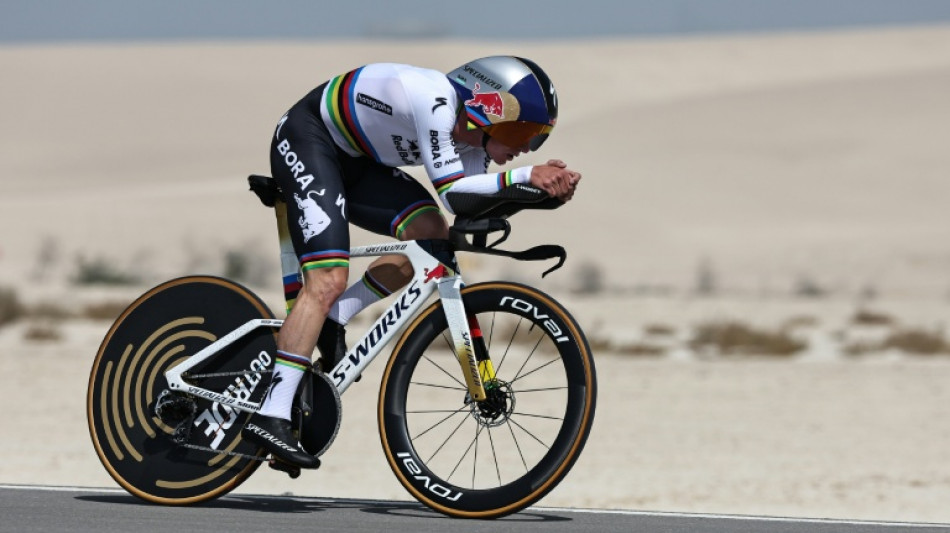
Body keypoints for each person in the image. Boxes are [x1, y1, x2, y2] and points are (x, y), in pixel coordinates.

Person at [242, 56, 582, 467]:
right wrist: (526, 176)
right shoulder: (434, 101)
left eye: (538, 139)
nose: (525, 147)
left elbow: (468, 212)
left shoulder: (470, 141)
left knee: (431, 235)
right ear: (489, 108)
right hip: (308, 139)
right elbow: (457, 193)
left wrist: (544, 197)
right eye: (523, 131)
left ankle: (337, 316)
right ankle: (271, 413)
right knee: (327, 279)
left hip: (357, 162)